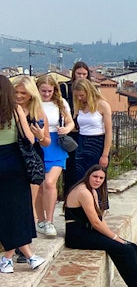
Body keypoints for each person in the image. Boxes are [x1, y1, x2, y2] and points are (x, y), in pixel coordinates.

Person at [64, 165, 137, 287]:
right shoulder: (83, 192)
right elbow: (95, 222)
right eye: (95, 177)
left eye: (101, 178)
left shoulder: (92, 191)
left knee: (132, 246)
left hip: (88, 232)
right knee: (123, 249)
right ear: (88, 175)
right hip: (78, 236)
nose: (98, 180)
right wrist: (115, 237)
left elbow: (99, 219)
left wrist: (114, 237)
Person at [0, 76, 47, 274]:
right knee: (20, 208)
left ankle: (15, 257)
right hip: (15, 163)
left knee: (5, 211)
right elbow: (29, 138)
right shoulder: (16, 110)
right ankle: (20, 257)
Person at [12, 78, 52, 238]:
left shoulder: (38, 113)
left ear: (31, 95)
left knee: (28, 200)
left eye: (23, 93)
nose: (19, 96)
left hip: (31, 159)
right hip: (11, 155)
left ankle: (24, 242)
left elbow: (46, 142)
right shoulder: (8, 110)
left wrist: (41, 136)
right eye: (16, 92)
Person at [33, 74, 72, 237]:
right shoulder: (33, 103)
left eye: (50, 91)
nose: (47, 94)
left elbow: (71, 122)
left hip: (56, 144)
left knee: (50, 183)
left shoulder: (61, 103)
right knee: (39, 185)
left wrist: (66, 129)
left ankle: (49, 220)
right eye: (44, 91)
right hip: (38, 144)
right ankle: (40, 220)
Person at [70, 78, 112, 211]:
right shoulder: (80, 106)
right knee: (81, 179)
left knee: (97, 179)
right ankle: (83, 209)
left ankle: (99, 210)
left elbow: (109, 132)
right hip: (82, 143)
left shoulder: (102, 105)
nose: (80, 98)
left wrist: (105, 154)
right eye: (77, 96)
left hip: (98, 143)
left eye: (82, 95)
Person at [59, 62, 90, 196]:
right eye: (79, 73)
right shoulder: (65, 88)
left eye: (84, 74)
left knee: (82, 167)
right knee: (69, 167)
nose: (81, 76)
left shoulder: (91, 90)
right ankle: (68, 197)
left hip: (84, 133)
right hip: (68, 132)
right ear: (74, 74)